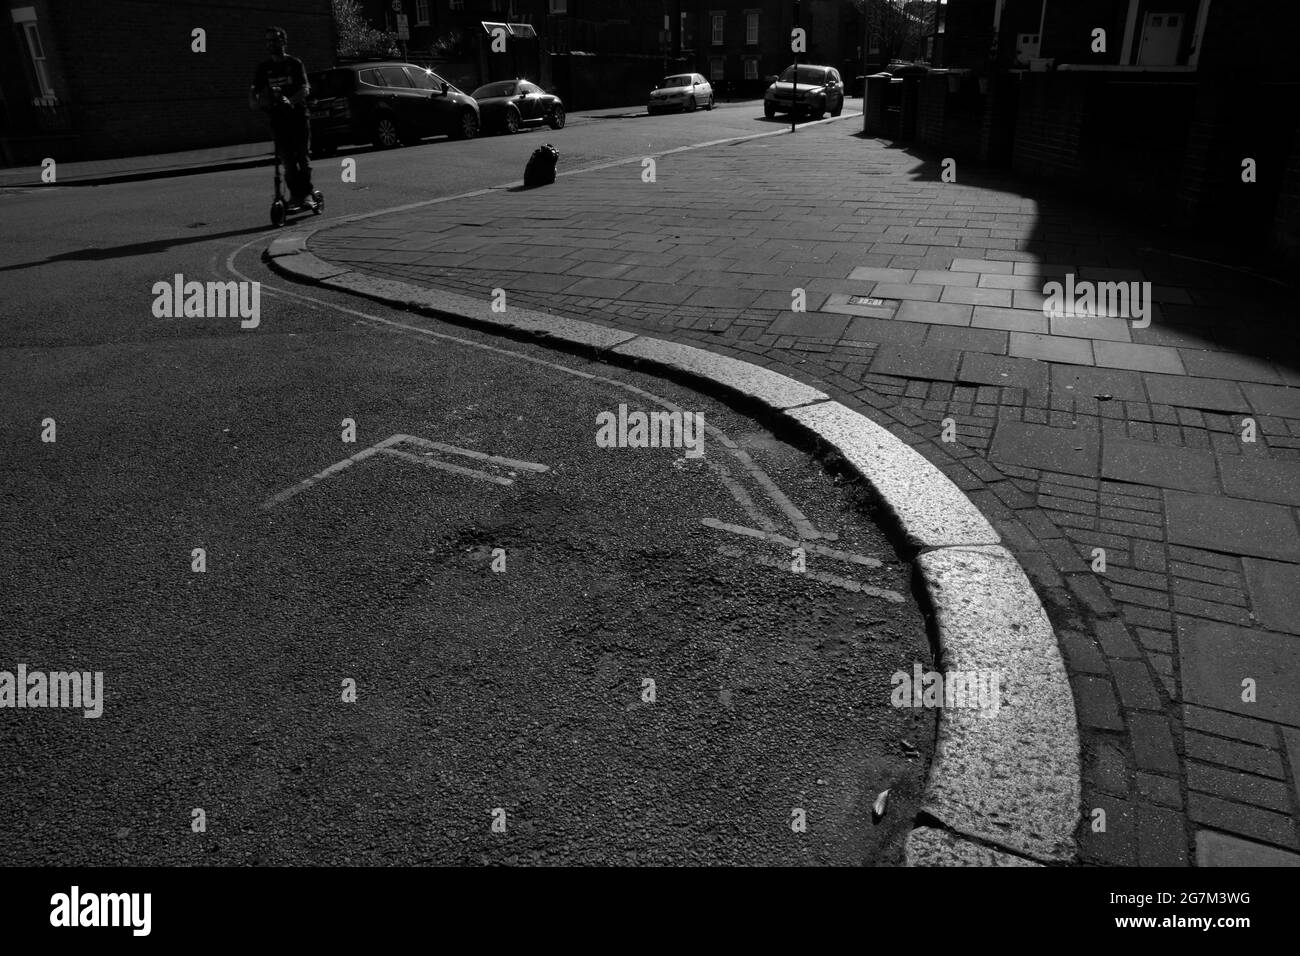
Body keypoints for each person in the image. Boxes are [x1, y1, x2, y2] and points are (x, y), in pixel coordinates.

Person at [250, 26, 316, 209]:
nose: (271, 44)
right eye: (268, 41)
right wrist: (254, 101)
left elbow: (305, 88)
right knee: (287, 161)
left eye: (275, 40)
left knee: (302, 158)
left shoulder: (295, 64)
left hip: (298, 118)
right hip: (278, 120)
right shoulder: (264, 68)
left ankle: (307, 194)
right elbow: (254, 89)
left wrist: (291, 100)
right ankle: (296, 195)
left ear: (283, 42)